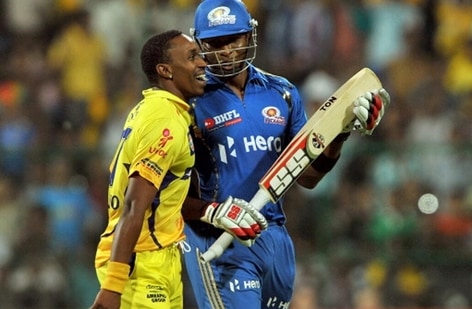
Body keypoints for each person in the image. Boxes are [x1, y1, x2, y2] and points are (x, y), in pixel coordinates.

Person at [180, 0, 390, 308]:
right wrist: (212, 213)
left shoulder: (283, 93)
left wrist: (341, 131)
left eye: (233, 39)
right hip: (219, 239)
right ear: (198, 43)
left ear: (249, 36)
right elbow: (165, 193)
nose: (225, 50)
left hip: (274, 238)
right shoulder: (188, 102)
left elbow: (306, 176)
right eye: (214, 42)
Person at [89, 29, 212, 309]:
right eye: (192, 57)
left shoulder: (167, 111)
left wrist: (212, 211)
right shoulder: (164, 120)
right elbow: (135, 205)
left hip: (162, 255)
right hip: (138, 261)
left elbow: (166, 198)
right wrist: (112, 286)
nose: (202, 63)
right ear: (165, 70)